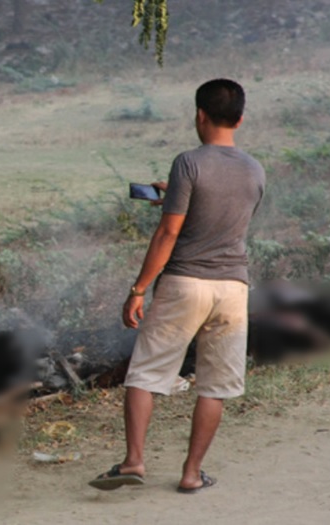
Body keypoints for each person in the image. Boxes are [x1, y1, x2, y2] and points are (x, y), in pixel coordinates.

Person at [88, 79, 266, 494]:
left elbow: (170, 233)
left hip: (185, 283)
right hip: (233, 290)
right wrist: (177, 198)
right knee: (215, 385)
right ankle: (191, 473)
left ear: (199, 115)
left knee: (146, 374)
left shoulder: (188, 162)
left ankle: (134, 461)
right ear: (239, 119)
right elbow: (224, 213)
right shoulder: (255, 169)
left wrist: (138, 288)